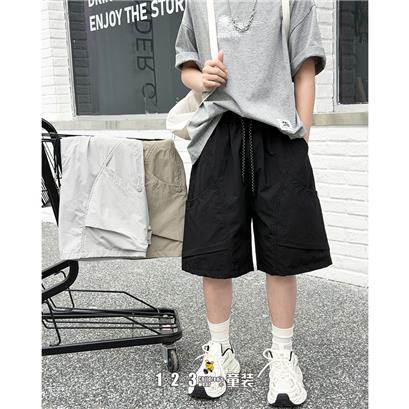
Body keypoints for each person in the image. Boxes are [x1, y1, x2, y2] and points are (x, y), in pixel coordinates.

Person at [174, 0, 332, 406]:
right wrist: (200, 77)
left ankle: (283, 356)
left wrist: (302, 139)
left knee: (282, 253)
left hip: (279, 135)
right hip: (217, 133)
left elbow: (304, 69)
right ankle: (220, 352)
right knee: (214, 252)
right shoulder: (199, 3)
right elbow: (186, 63)